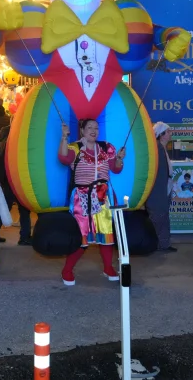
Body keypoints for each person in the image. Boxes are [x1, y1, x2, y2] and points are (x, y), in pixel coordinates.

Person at [58, 118, 126, 285]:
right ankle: (67, 270)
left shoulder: (106, 147)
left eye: (96, 128)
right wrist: (64, 137)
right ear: (82, 130)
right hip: (82, 197)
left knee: (106, 233)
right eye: (90, 127)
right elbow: (63, 158)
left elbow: (116, 169)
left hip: (103, 196)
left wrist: (119, 158)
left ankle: (108, 267)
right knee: (81, 236)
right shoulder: (75, 147)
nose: (93, 131)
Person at [147, 122, 175, 252]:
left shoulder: (161, 148)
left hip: (163, 188)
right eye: (168, 132)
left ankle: (163, 244)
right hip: (158, 190)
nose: (170, 134)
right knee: (159, 216)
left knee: (163, 216)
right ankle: (158, 244)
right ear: (161, 134)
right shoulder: (158, 148)